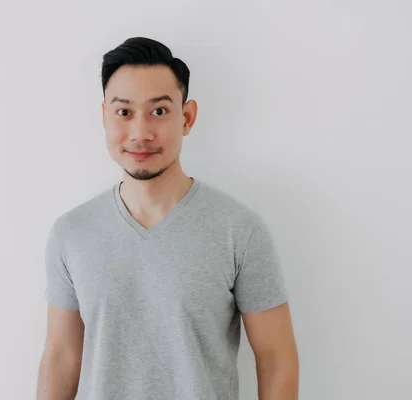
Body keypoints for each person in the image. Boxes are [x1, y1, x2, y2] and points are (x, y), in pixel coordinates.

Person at [37, 37, 299, 400]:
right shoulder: (71, 234)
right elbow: (61, 357)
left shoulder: (239, 230)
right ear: (104, 117)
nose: (140, 133)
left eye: (158, 111)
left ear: (187, 117)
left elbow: (276, 360)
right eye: (124, 112)